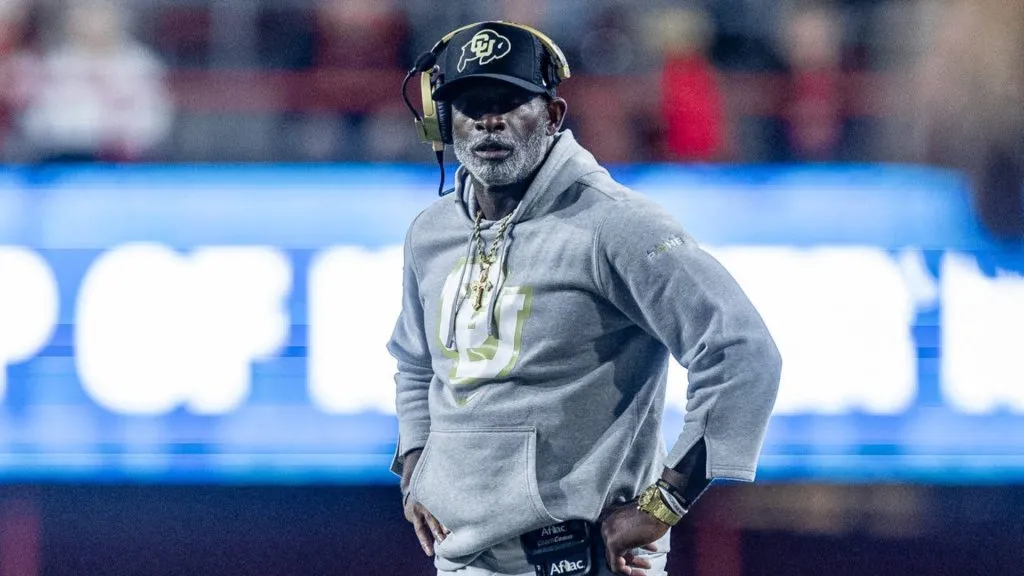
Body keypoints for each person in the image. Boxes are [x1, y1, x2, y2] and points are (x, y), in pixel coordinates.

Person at [388, 21, 781, 576]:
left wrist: (665, 502)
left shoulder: (615, 224)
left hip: (587, 561)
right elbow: (414, 360)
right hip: (462, 559)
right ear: (441, 123)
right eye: (470, 105)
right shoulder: (430, 233)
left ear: (553, 116)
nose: (488, 121)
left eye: (510, 101)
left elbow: (741, 351)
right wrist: (415, 464)